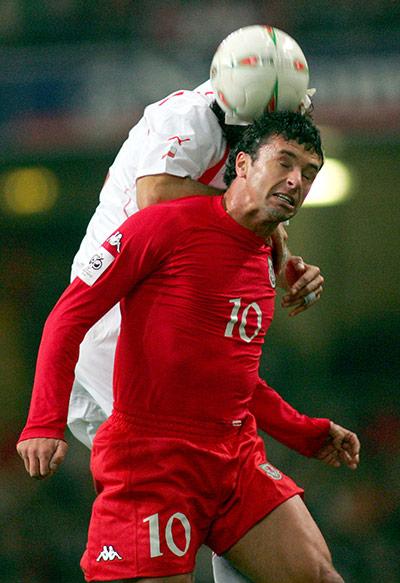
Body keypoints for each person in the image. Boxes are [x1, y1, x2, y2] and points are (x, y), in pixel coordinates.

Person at [17, 111, 360, 583]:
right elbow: (68, 316)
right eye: (284, 162)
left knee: (320, 576)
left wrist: (306, 433)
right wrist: (44, 420)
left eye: (309, 172)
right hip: (153, 461)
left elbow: (237, 380)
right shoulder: (162, 226)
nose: (296, 180)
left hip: (235, 456)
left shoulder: (265, 260)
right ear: (243, 164)